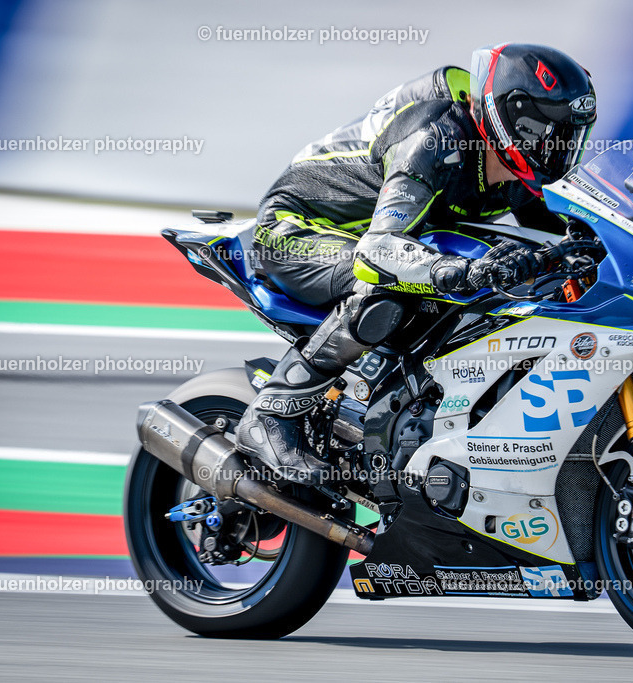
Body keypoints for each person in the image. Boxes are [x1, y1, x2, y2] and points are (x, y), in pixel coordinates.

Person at [235, 43, 597, 483]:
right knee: (391, 286)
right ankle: (272, 413)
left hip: (381, 237)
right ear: (510, 115)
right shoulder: (437, 138)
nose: (557, 146)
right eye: (547, 130)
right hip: (297, 229)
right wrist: (454, 271)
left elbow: (568, 238)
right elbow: (378, 251)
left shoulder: (525, 174)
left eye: (569, 134)